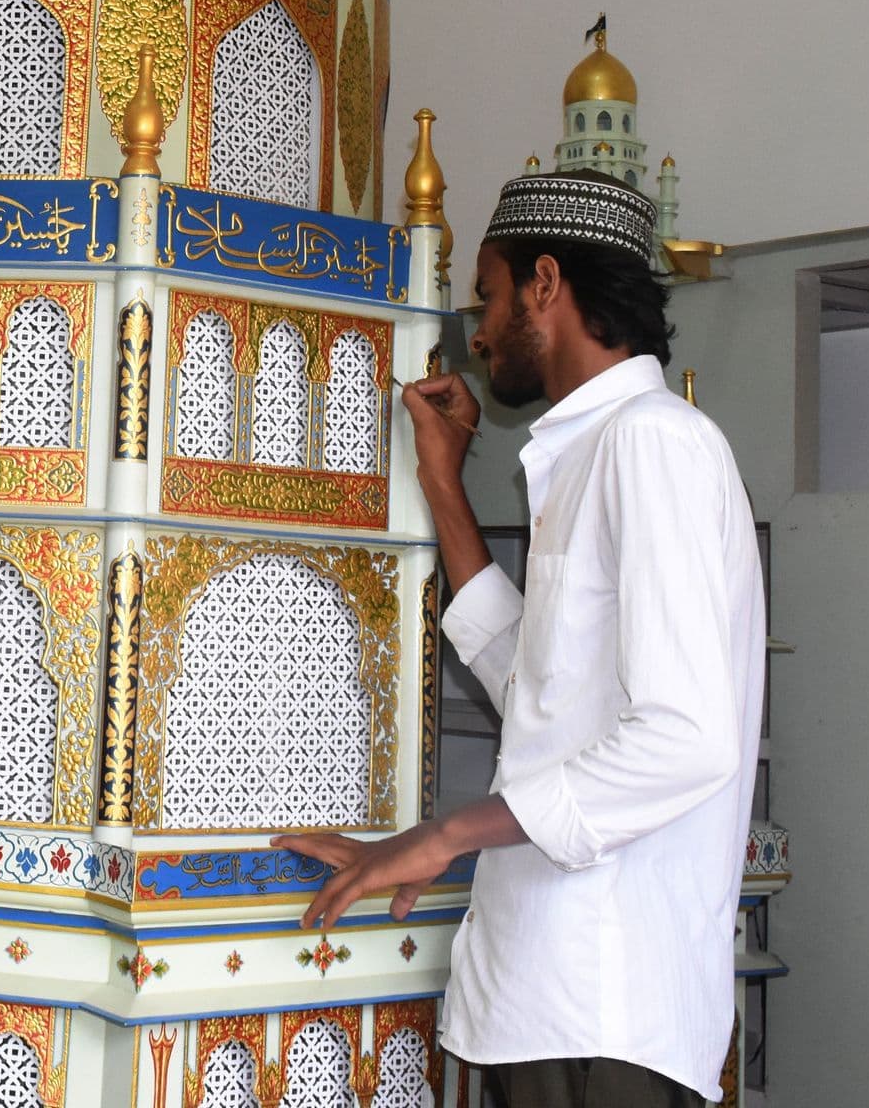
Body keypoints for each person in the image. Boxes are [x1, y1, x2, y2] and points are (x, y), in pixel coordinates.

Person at [278, 171, 764, 1108]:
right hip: (550, 990)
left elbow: (684, 738)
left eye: (491, 297)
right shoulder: (591, 451)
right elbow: (543, 688)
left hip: (609, 1003)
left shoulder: (653, 442)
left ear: (547, 283)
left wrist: (445, 835)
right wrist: (444, 486)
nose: (482, 328)